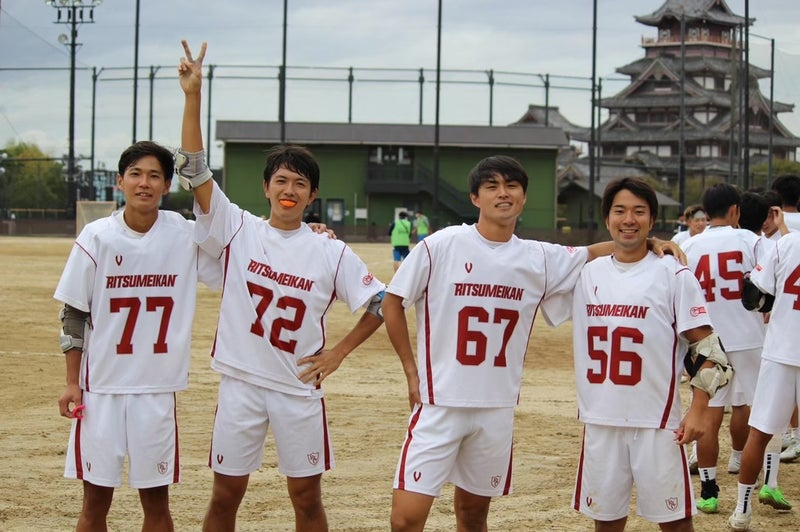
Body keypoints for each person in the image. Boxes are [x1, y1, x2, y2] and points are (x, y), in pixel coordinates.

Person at [381, 157, 684, 532]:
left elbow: (590, 252)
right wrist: (411, 372)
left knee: (473, 515)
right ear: (475, 197)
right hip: (440, 401)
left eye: (512, 186)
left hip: (496, 408)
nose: (503, 193)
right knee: (405, 520)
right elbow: (392, 301)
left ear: (523, 197)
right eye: (491, 186)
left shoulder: (537, 256)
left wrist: (648, 241)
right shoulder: (442, 244)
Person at [177, 41, 386, 532]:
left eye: (300, 185)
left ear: (313, 196)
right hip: (241, 384)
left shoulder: (330, 250)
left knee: (306, 499)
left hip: (298, 389)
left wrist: (338, 353)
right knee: (225, 496)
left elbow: (381, 302)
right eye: (282, 181)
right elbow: (194, 168)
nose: (289, 191)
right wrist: (193, 95)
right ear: (267, 186)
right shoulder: (237, 227)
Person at [54, 140, 221, 531]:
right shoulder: (97, 236)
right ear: (120, 181)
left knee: (157, 504)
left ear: (167, 185)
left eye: (154, 176)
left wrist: (309, 232)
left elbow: (243, 252)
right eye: (135, 174)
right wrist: (71, 382)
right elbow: (74, 313)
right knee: (95, 503)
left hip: (156, 389)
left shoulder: (185, 234)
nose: (144, 183)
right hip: (101, 389)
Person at [554, 177, 731, 531]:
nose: (628, 219)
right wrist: (651, 242)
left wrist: (699, 410)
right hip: (601, 420)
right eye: (619, 211)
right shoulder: (585, 275)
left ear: (652, 219)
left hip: (657, 423)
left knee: (676, 523)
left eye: (639, 211)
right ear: (607, 218)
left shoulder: (674, 274)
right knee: (606, 523)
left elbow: (710, 350)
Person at [681, 183, 766, 514]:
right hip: (749, 336)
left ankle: (708, 489)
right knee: (759, 409)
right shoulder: (749, 239)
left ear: (706, 211)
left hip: (707, 339)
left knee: (709, 413)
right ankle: (760, 479)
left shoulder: (688, 244)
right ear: (735, 210)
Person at [729, 230, 800, 530]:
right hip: (779, 351)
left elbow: (753, 295)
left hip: (781, 349)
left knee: (759, 434)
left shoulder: (787, 243)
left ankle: (741, 511)